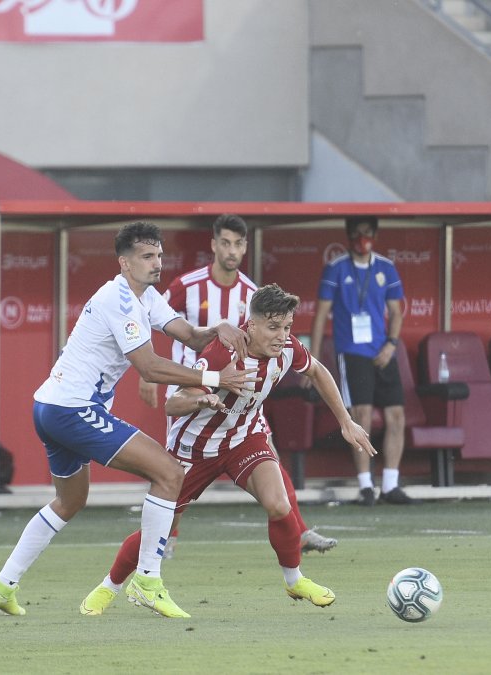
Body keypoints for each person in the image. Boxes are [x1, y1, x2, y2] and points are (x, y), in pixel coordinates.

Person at [0, 221, 255, 619]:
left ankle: (2, 585)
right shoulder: (119, 300)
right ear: (124, 263)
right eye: (147, 256)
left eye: (159, 255)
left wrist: (219, 328)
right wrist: (214, 378)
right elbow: (148, 367)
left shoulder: (148, 296)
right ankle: (148, 581)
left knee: (70, 501)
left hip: (52, 407)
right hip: (72, 410)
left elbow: (191, 336)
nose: (156, 263)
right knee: (170, 473)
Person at [81, 284, 375, 617]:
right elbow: (173, 404)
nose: (282, 336)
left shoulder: (289, 349)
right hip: (194, 449)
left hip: (244, 439)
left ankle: (294, 580)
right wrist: (208, 391)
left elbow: (318, 372)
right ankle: (109, 587)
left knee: (280, 504)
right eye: (273, 327)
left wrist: (345, 421)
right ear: (251, 325)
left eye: (288, 327)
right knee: (158, 529)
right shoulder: (224, 353)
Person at [139, 214, 338, 553]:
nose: (232, 251)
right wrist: (148, 376)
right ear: (214, 245)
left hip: (244, 393)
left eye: (238, 244)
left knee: (267, 456)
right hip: (195, 391)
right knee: (178, 475)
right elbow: (148, 320)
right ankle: (166, 539)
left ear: (245, 247)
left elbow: (284, 346)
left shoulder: (253, 292)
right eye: (225, 243)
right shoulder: (187, 286)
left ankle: (297, 530)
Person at [309, 216, 413, 507]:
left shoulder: (386, 268)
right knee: (361, 416)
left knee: (396, 417)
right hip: (352, 353)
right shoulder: (336, 268)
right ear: (348, 237)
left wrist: (392, 344)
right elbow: (320, 315)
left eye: (367, 233)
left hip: (383, 352)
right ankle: (366, 486)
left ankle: (391, 484)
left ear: (375, 236)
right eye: (356, 234)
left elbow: (397, 311)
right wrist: (312, 360)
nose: (361, 238)